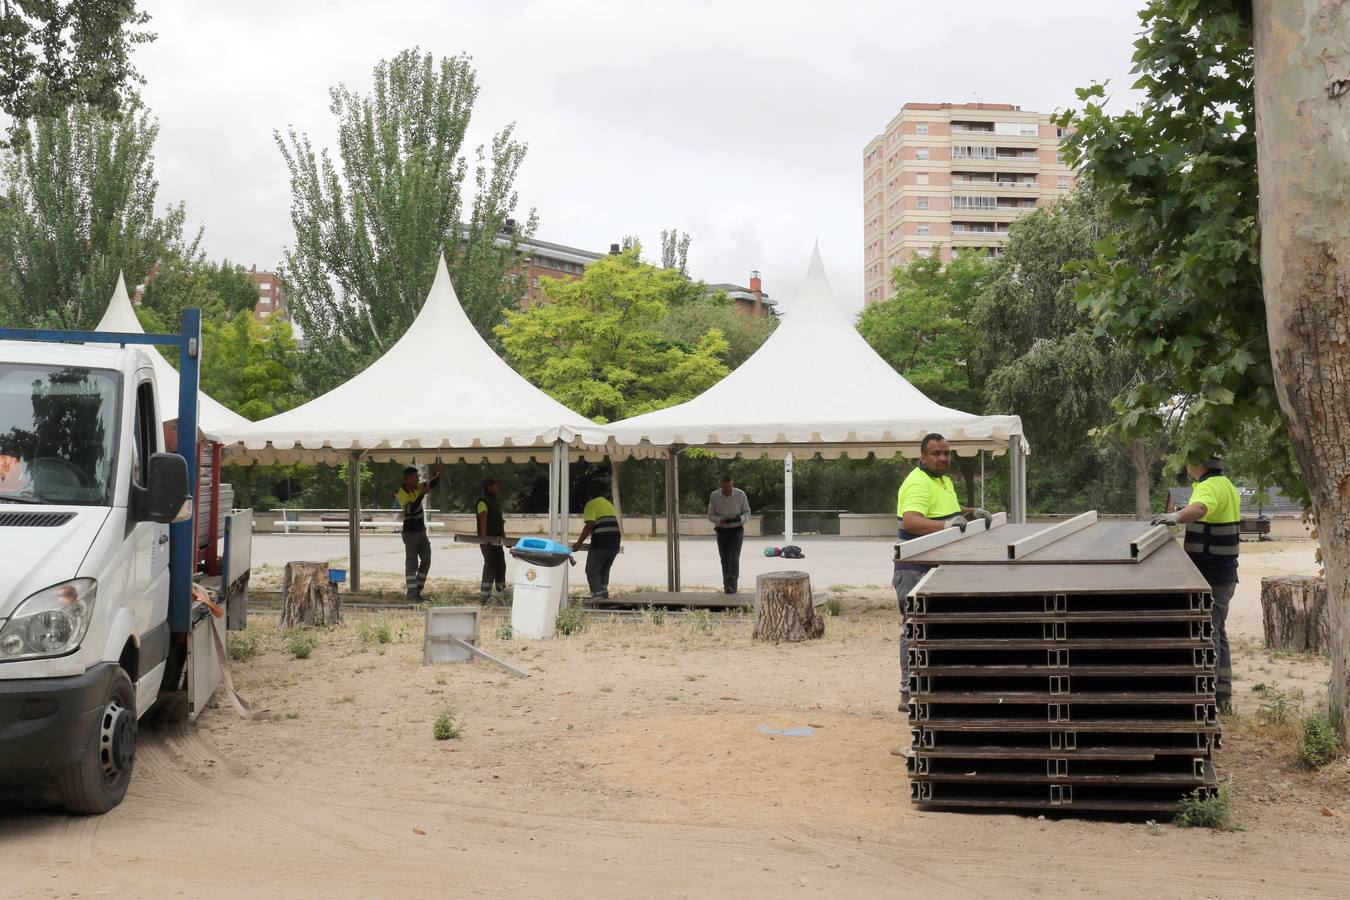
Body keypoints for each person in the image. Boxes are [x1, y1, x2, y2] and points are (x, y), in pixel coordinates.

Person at [893, 434, 992, 712]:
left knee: (939, 625)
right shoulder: (917, 482)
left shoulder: (944, 481)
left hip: (937, 564)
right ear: (923, 457)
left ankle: (937, 685)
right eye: (937, 453)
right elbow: (912, 521)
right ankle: (908, 690)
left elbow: (946, 511)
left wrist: (970, 512)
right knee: (912, 627)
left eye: (946, 453)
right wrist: (948, 525)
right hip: (914, 567)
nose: (943, 458)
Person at [1152, 454, 1241, 714]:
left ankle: (1208, 700)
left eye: (1190, 461)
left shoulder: (1208, 487)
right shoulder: (1227, 484)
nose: (1188, 465)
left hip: (1210, 574)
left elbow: (1200, 508)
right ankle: (1222, 696)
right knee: (1219, 632)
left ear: (1201, 464)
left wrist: (1176, 517)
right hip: (1225, 574)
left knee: (1209, 635)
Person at [396, 463, 443, 601]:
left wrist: (438, 474)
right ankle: (412, 595)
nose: (418, 480)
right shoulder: (402, 493)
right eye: (416, 477)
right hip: (410, 533)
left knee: (426, 559)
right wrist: (422, 494)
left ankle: (417, 589)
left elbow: (431, 484)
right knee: (412, 564)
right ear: (407, 479)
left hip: (421, 531)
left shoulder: (417, 488)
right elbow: (411, 509)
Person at [573, 482, 622, 600]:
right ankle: (604, 595)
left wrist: (578, 544)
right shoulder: (608, 504)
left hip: (601, 542)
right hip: (615, 542)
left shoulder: (591, 504)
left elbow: (590, 525)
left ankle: (598, 598)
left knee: (592, 570)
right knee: (604, 568)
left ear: (589, 495)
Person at [707, 474, 751, 594]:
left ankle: (733, 586)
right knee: (724, 558)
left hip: (736, 530)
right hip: (722, 530)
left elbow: (748, 513)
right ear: (720, 485)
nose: (727, 490)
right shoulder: (714, 496)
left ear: (733, 484)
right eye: (724, 487)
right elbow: (710, 515)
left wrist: (740, 519)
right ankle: (727, 585)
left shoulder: (740, 495)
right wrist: (720, 519)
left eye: (729, 487)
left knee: (733, 558)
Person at [476, 477, 508, 602]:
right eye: (496, 485)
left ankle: (502, 594)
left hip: (497, 539)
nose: (498, 487)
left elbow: (500, 522)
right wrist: (485, 539)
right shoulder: (483, 502)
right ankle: (484, 597)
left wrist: (504, 539)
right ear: (489, 486)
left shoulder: (495, 502)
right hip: (488, 540)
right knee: (491, 565)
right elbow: (483, 520)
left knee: (501, 565)